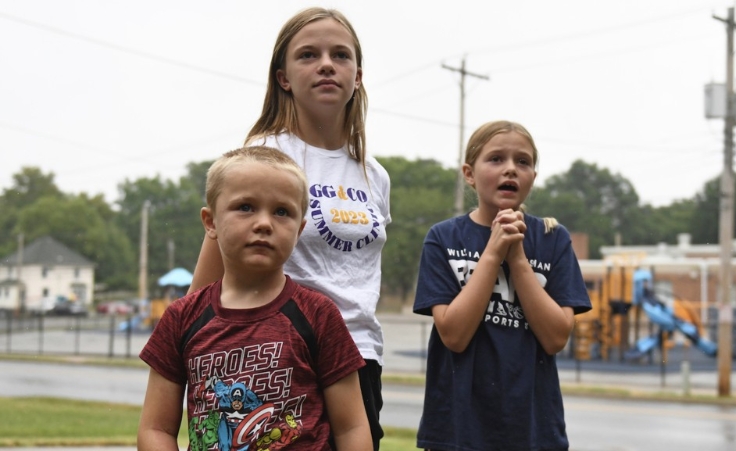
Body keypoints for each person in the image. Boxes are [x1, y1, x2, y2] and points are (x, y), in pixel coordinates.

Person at [188, 7, 390, 450]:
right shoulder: (263, 157)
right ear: (283, 77)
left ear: (357, 76)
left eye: (340, 55)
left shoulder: (374, 175)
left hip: (359, 356)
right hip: (278, 350)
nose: (325, 64)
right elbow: (205, 285)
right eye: (307, 55)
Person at [138, 146, 371, 451]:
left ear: (300, 229)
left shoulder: (318, 314)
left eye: (282, 212)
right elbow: (155, 429)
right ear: (211, 222)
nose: (264, 223)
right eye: (245, 207)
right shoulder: (182, 318)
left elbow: (352, 427)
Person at [412, 120, 593, 451]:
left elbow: (555, 338)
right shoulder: (443, 238)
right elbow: (453, 335)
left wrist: (518, 259)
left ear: (533, 178)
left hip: (534, 431)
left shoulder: (553, 240)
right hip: (457, 431)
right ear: (469, 173)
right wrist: (494, 251)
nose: (510, 169)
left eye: (522, 162)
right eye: (496, 159)